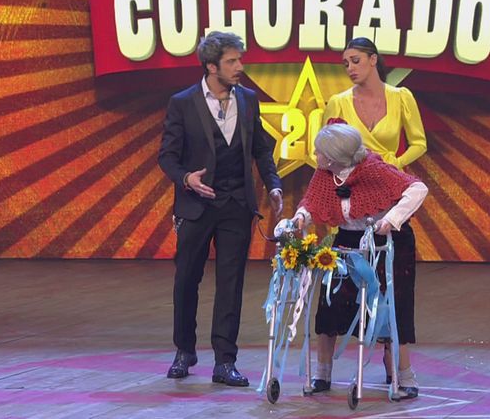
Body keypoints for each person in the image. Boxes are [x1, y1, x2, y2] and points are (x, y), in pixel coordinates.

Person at [158, 31, 283, 387]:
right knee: (187, 280)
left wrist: (273, 183)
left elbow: (261, 148)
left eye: (239, 59)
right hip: (196, 206)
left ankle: (225, 361)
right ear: (211, 67)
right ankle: (184, 351)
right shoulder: (183, 103)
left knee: (231, 283)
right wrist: (186, 179)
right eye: (232, 61)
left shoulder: (248, 99)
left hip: (235, 205)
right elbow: (167, 156)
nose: (240, 67)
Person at [310, 36, 428, 398]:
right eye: (345, 62)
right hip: (351, 214)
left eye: (356, 60)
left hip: (386, 195)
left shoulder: (402, 97)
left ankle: (400, 372)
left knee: (394, 296)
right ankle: (322, 372)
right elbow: (326, 156)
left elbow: (419, 142)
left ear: (374, 59)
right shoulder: (338, 102)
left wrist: (394, 165)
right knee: (335, 296)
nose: (349, 68)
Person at [290, 122, 428, 399]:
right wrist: (301, 216)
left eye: (318, 151)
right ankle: (322, 374)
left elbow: (417, 188)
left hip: (388, 243)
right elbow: (313, 202)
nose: (315, 155)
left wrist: (392, 219)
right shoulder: (325, 173)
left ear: (333, 156)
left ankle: (403, 375)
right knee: (330, 303)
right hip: (348, 241)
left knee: (391, 307)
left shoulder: (374, 169)